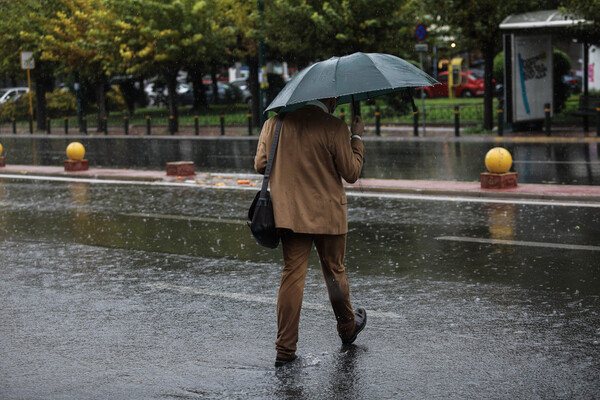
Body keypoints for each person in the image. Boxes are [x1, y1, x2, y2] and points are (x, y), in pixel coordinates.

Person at [254, 97, 367, 367]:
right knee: (334, 271)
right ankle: (348, 327)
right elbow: (351, 172)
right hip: (328, 213)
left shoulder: (274, 123)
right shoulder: (335, 127)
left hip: (290, 213)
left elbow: (260, 164)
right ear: (328, 98)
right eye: (336, 99)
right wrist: (357, 138)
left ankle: (285, 348)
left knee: (292, 275)